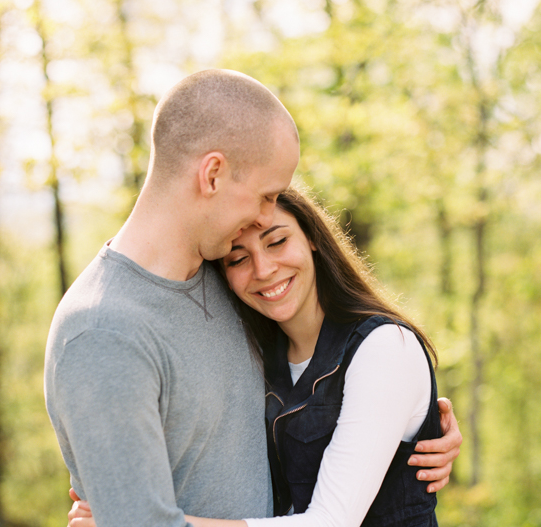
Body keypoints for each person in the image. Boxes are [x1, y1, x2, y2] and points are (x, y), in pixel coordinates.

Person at [46, 69, 461, 527]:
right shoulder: (103, 331)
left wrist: (410, 424)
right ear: (213, 174)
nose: (265, 218)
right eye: (266, 196)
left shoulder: (225, 282)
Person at [67, 185, 453, 527]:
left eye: (277, 241)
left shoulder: (384, 348)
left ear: (313, 239)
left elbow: (331, 522)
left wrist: (136, 520)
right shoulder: (257, 357)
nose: (264, 269)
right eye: (238, 259)